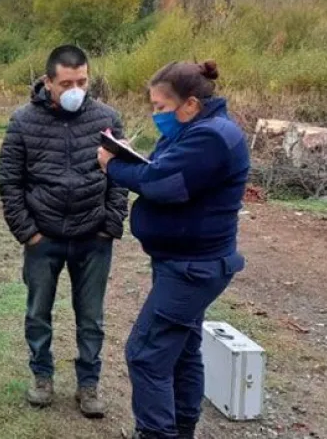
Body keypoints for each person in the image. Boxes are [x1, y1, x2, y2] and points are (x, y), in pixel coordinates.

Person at [98, 60, 250, 439]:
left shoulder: (211, 137)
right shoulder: (192, 130)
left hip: (192, 269)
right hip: (184, 264)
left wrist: (112, 165)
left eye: (161, 107)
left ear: (191, 104)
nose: (156, 115)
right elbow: (160, 166)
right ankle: (181, 430)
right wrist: (128, 156)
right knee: (181, 353)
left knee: (145, 355)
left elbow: (164, 182)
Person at [0, 45, 129, 418]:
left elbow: (120, 177)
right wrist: (29, 233)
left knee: (92, 318)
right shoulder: (23, 121)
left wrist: (110, 225)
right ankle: (42, 376)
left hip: (93, 238)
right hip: (44, 238)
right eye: (67, 82)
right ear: (48, 82)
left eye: (82, 81)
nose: (76, 89)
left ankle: (89, 385)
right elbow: (9, 181)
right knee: (38, 312)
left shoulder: (107, 118)